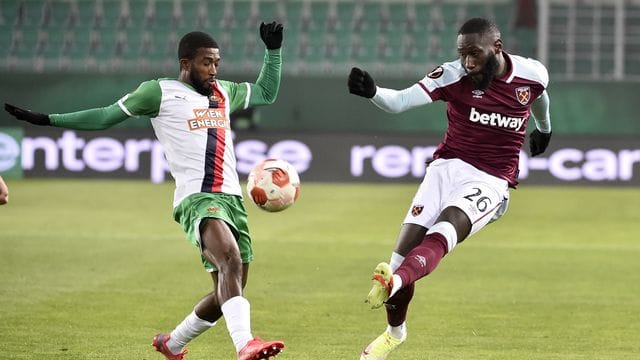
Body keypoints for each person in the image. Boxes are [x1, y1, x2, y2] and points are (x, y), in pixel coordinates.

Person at [5, 22, 286, 360]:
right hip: (197, 198)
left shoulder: (224, 91)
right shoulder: (158, 92)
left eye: (217, 63)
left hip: (232, 199)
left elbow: (266, 93)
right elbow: (106, 116)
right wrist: (48, 120)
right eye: (206, 62)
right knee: (230, 259)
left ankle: (173, 344)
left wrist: (273, 52)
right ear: (185, 63)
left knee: (229, 286)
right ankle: (245, 345)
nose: (213, 69)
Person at [348, 17, 552, 359]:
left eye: (475, 54)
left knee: (441, 234)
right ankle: (394, 333)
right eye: (462, 54)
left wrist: (544, 128)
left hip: (490, 179)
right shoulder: (453, 75)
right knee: (401, 256)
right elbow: (399, 102)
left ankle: (394, 281)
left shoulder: (531, 74)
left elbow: (540, 97)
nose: (468, 62)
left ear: (496, 48)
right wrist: (373, 92)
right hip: (445, 169)